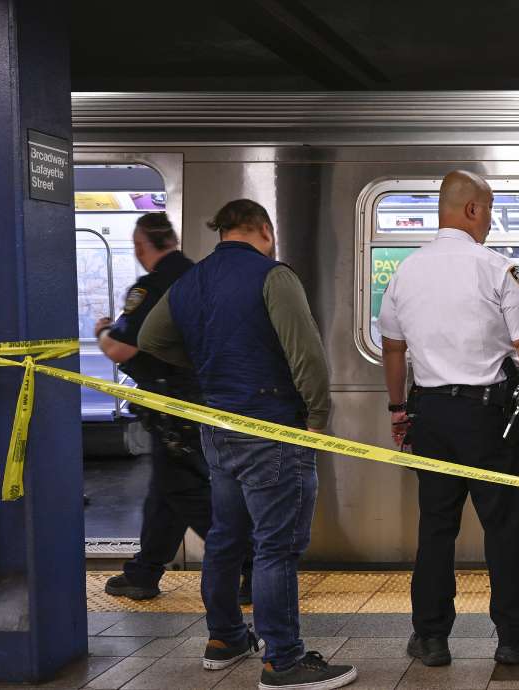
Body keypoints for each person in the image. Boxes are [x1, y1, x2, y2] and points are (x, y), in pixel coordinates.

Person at [138, 200, 356, 690]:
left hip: (217, 425)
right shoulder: (273, 276)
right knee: (276, 547)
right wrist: (317, 420)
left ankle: (226, 638)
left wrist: (208, 363)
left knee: (225, 537)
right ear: (264, 229)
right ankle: (284, 660)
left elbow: (151, 338)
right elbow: (307, 355)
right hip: (272, 427)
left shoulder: (190, 280)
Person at [377, 171, 519, 668]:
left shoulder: (405, 272)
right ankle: (516, 636)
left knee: (435, 526)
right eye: (490, 208)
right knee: (503, 526)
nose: (491, 220)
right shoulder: (496, 269)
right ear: (473, 210)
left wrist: (398, 410)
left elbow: (394, 349)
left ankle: (430, 637)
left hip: (429, 413)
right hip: (488, 416)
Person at [94, 212, 257, 603]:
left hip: (173, 406)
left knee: (185, 490)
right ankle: (145, 571)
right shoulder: (202, 276)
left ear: (140, 245)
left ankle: (251, 564)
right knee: (168, 488)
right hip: (209, 397)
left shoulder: (151, 288)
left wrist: (101, 331)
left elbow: (121, 347)